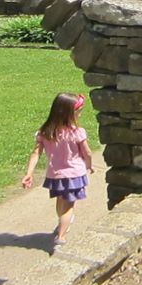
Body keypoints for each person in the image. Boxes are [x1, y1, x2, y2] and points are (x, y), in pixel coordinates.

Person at [21, 92, 95, 249]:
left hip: (55, 175)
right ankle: (61, 236)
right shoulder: (77, 133)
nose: (80, 113)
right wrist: (89, 164)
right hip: (74, 175)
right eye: (79, 111)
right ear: (70, 113)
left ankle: (61, 222)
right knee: (69, 207)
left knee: (60, 202)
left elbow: (36, 153)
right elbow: (87, 152)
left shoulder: (46, 132)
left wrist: (29, 173)